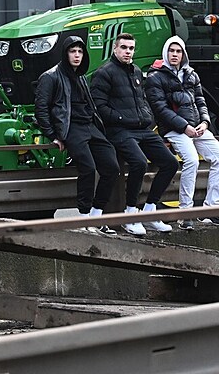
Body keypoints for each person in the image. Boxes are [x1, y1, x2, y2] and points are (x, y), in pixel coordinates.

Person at [90, 33, 178, 236]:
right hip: (119, 130)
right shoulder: (104, 73)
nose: (128, 52)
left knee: (171, 163)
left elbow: (142, 100)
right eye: (124, 48)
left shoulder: (136, 71)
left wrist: (146, 116)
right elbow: (98, 106)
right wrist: (120, 119)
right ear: (115, 48)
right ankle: (131, 214)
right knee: (139, 163)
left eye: (131, 48)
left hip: (142, 129)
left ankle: (149, 211)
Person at [35, 35, 120, 235]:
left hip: (89, 126)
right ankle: (83, 218)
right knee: (88, 168)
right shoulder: (51, 76)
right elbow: (41, 108)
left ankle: (96, 215)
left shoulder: (81, 76)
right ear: (65, 54)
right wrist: (52, 135)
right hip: (70, 128)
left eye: (80, 52)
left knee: (111, 167)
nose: (77, 55)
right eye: (73, 51)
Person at [145, 36, 219, 230]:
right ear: (166, 53)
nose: (175, 55)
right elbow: (160, 109)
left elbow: (200, 101)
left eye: (178, 51)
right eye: (172, 51)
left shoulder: (191, 74)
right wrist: (184, 126)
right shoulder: (155, 77)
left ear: (183, 54)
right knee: (192, 160)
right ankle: (185, 212)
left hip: (196, 127)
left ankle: (211, 209)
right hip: (174, 129)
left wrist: (205, 121)